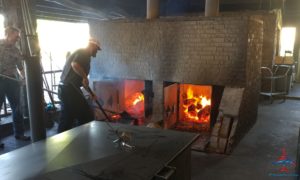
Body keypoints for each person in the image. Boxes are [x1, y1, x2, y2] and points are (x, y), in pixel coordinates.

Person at [57, 38, 101, 133]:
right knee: (86, 116)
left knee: (68, 118)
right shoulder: (83, 53)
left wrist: (91, 93)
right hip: (69, 89)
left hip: (67, 89)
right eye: (96, 49)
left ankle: (71, 140)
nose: (96, 52)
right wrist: (85, 76)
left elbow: (82, 81)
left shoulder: (85, 56)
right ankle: (82, 139)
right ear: (92, 46)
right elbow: (74, 64)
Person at [0, 27, 30, 141]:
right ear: (8, 34)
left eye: (18, 36)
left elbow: (20, 67)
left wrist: (24, 78)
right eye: (16, 35)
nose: (18, 38)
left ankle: (19, 133)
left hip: (12, 80)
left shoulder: (16, 50)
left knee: (17, 108)